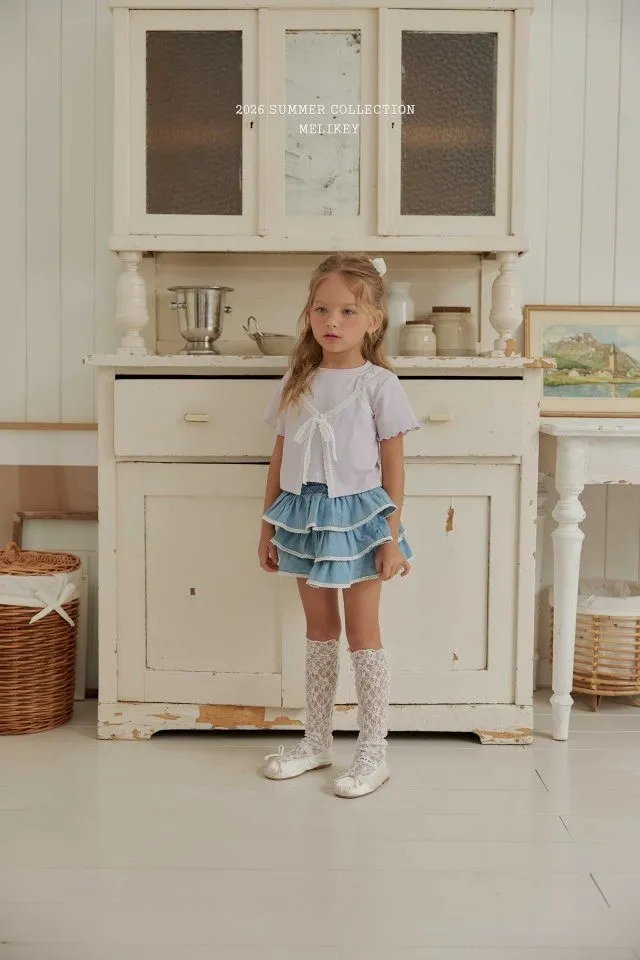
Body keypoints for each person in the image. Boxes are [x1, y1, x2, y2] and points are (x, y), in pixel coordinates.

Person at [258, 252, 420, 799]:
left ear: (373, 320)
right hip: (302, 517)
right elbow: (279, 458)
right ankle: (316, 741)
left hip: (362, 521)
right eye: (322, 309)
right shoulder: (297, 380)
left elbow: (394, 467)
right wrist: (267, 528)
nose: (332, 321)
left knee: (363, 632)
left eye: (348, 311)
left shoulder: (379, 385)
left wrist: (391, 538)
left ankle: (374, 750)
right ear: (309, 313)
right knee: (319, 630)